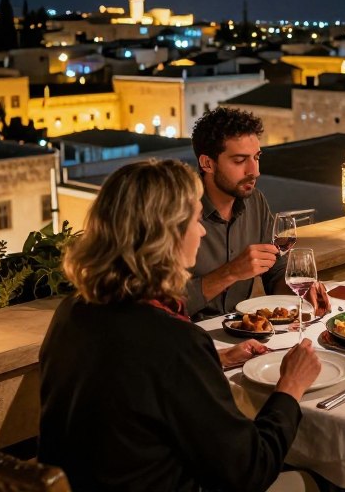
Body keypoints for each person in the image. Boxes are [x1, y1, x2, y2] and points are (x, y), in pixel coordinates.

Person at [39, 159, 321, 491]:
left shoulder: (72, 313)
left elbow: (133, 382)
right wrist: (290, 386)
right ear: (167, 234)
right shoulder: (173, 340)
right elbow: (250, 469)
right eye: (193, 219)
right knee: (310, 481)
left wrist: (211, 362)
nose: (201, 230)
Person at [187, 107, 330, 320]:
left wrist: (299, 291)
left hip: (243, 334)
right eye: (239, 160)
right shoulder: (178, 212)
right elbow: (158, 305)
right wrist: (231, 272)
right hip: (188, 340)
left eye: (256, 157)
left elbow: (276, 272)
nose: (254, 171)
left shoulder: (255, 202)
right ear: (207, 163)